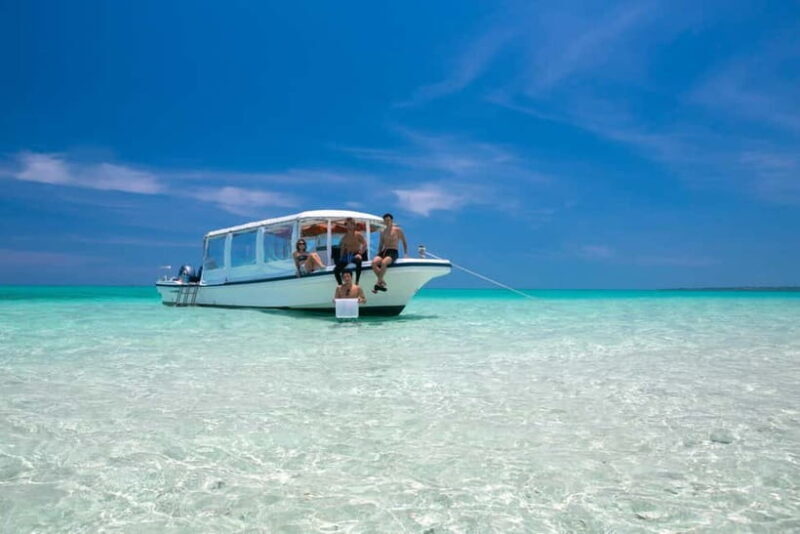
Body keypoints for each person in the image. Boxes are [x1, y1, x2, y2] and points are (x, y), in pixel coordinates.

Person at [371, 212, 408, 293]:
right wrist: (378, 253)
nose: (387, 222)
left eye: (389, 220)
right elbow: (380, 244)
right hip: (384, 251)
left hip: (393, 251)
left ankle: (378, 283)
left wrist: (405, 253)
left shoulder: (398, 230)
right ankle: (381, 282)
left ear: (392, 220)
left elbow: (404, 242)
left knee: (384, 263)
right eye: (385, 220)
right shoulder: (383, 232)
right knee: (374, 262)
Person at [333, 217, 367, 285]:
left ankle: (357, 282)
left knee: (358, 260)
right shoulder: (344, 238)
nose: (348, 226)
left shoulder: (358, 235)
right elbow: (342, 249)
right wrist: (341, 259)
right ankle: (340, 285)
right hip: (347, 256)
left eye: (350, 224)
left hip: (356, 254)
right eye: (347, 224)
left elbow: (365, 244)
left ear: (354, 225)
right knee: (336, 270)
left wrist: (360, 253)